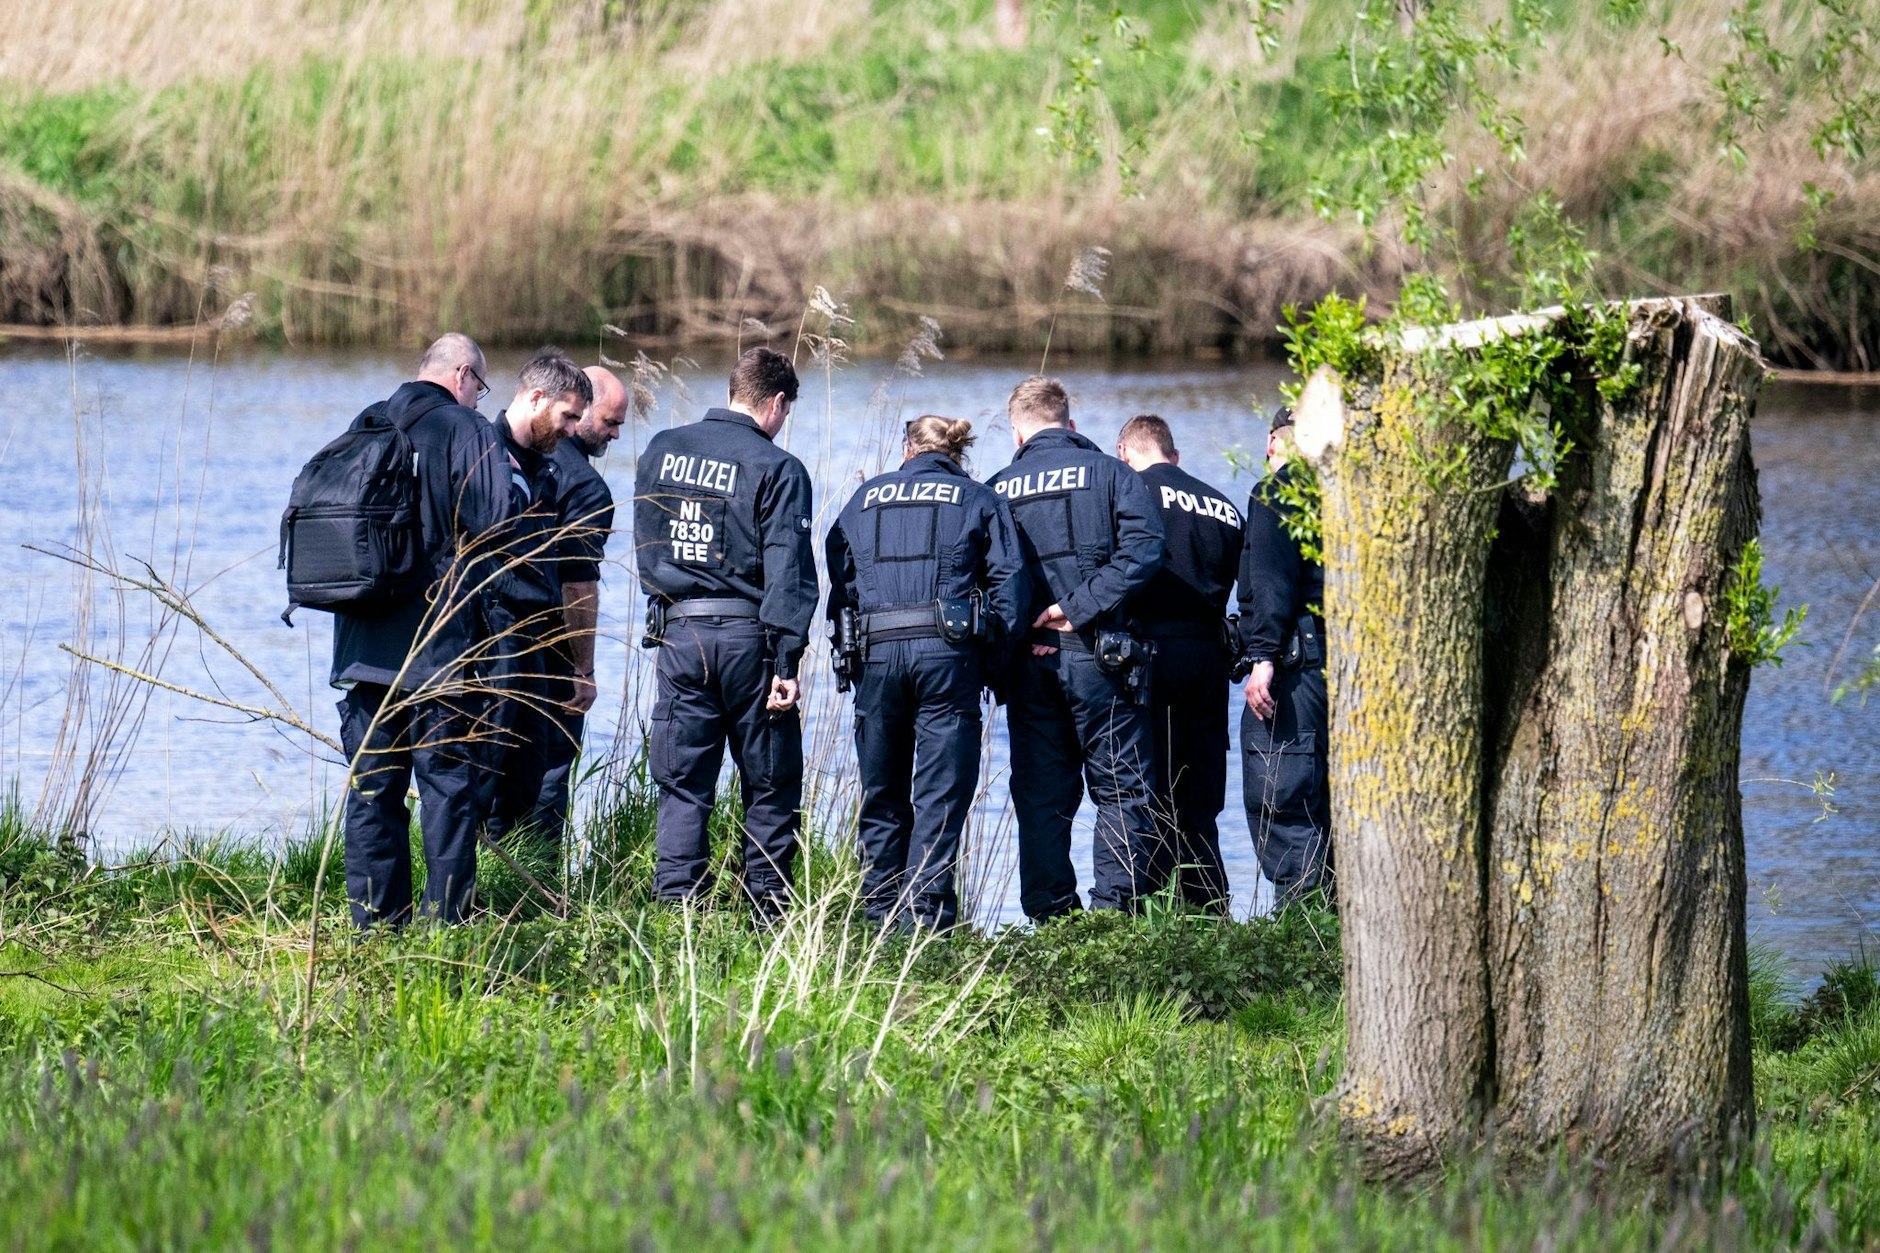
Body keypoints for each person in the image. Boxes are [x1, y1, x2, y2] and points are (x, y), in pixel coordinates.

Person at [332, 332, 510, 927]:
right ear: (462, 375)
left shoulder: (368, 421)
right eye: (480, 388)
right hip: (436, 654)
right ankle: (447, 926)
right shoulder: (466, 430)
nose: (481, 400)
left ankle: (375, 926)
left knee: (373, 792)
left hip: (361, 651)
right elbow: (496, 530)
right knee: (447, 793)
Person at [633, 347, 817, 923]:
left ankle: (676, 916)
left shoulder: (662, 449)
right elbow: (789, 571)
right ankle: (766, 914)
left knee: (683, 783)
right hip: (749, 640)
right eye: (786, 412)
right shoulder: (777, 468)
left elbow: (645, 544)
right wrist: (787, 661)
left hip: (679, 634)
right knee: (769, 782)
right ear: (776, 402)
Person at [825, 416, 1028, 930]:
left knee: (881, 790)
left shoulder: (863, 498)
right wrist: (994, 666)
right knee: (940, 794)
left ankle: (877, 917)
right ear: (957, 453)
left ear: (906, 448)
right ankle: (926, 921)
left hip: (875, 653)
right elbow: (1011, 589)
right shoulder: (980, 499)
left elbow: (840, 579)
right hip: (947, 658)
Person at [987, 376, 1166, 921]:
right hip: (1102, 658)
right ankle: (1115, 918)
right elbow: (1145, 549)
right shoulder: (1112, 474)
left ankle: (1050, 924)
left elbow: (986, 579)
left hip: (1030, 667)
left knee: (1041, 800)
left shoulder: (996, 487)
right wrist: (1079, 607)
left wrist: (1028, 630)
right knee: (1120, 791)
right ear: (1071, 422)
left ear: (1017, 433)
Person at [1115, 414, 1243, 914]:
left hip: (1149, 656)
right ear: (1175, 454)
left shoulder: (1129, 495)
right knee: (1201, 795)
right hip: (1209, 659)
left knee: (1149, 790)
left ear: (1125, 454)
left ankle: (1153, 910)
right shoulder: (1223, 506)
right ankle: (1210, 908)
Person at [500, 364, 626, 848]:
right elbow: (578, 586)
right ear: (580, 409)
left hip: (495, 643)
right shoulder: (587, 488)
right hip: (551, 653)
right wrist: (584, 669)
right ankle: (541, 878)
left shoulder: (508, 455)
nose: (614, 435)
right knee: (550, 769)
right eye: (610, 422)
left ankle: (489, 873)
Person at [482, 351, 593, 855]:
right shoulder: (481, 452)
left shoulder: (545, 469)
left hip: (536, 644)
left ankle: (517, 892)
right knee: (487, 775)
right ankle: (469, 893)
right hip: (490, 642)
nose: (574, 429)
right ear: (535, 398)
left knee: (529, 777)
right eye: (568, 415)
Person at [1235, 406, 1331, 905]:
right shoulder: (1354, 487)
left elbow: (1271, 581)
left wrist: (1263, 659)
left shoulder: (1279, 490)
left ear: (1274, 441)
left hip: (1298, 667)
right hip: (1350, 661)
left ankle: (1304, 932)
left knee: (1284, 794)